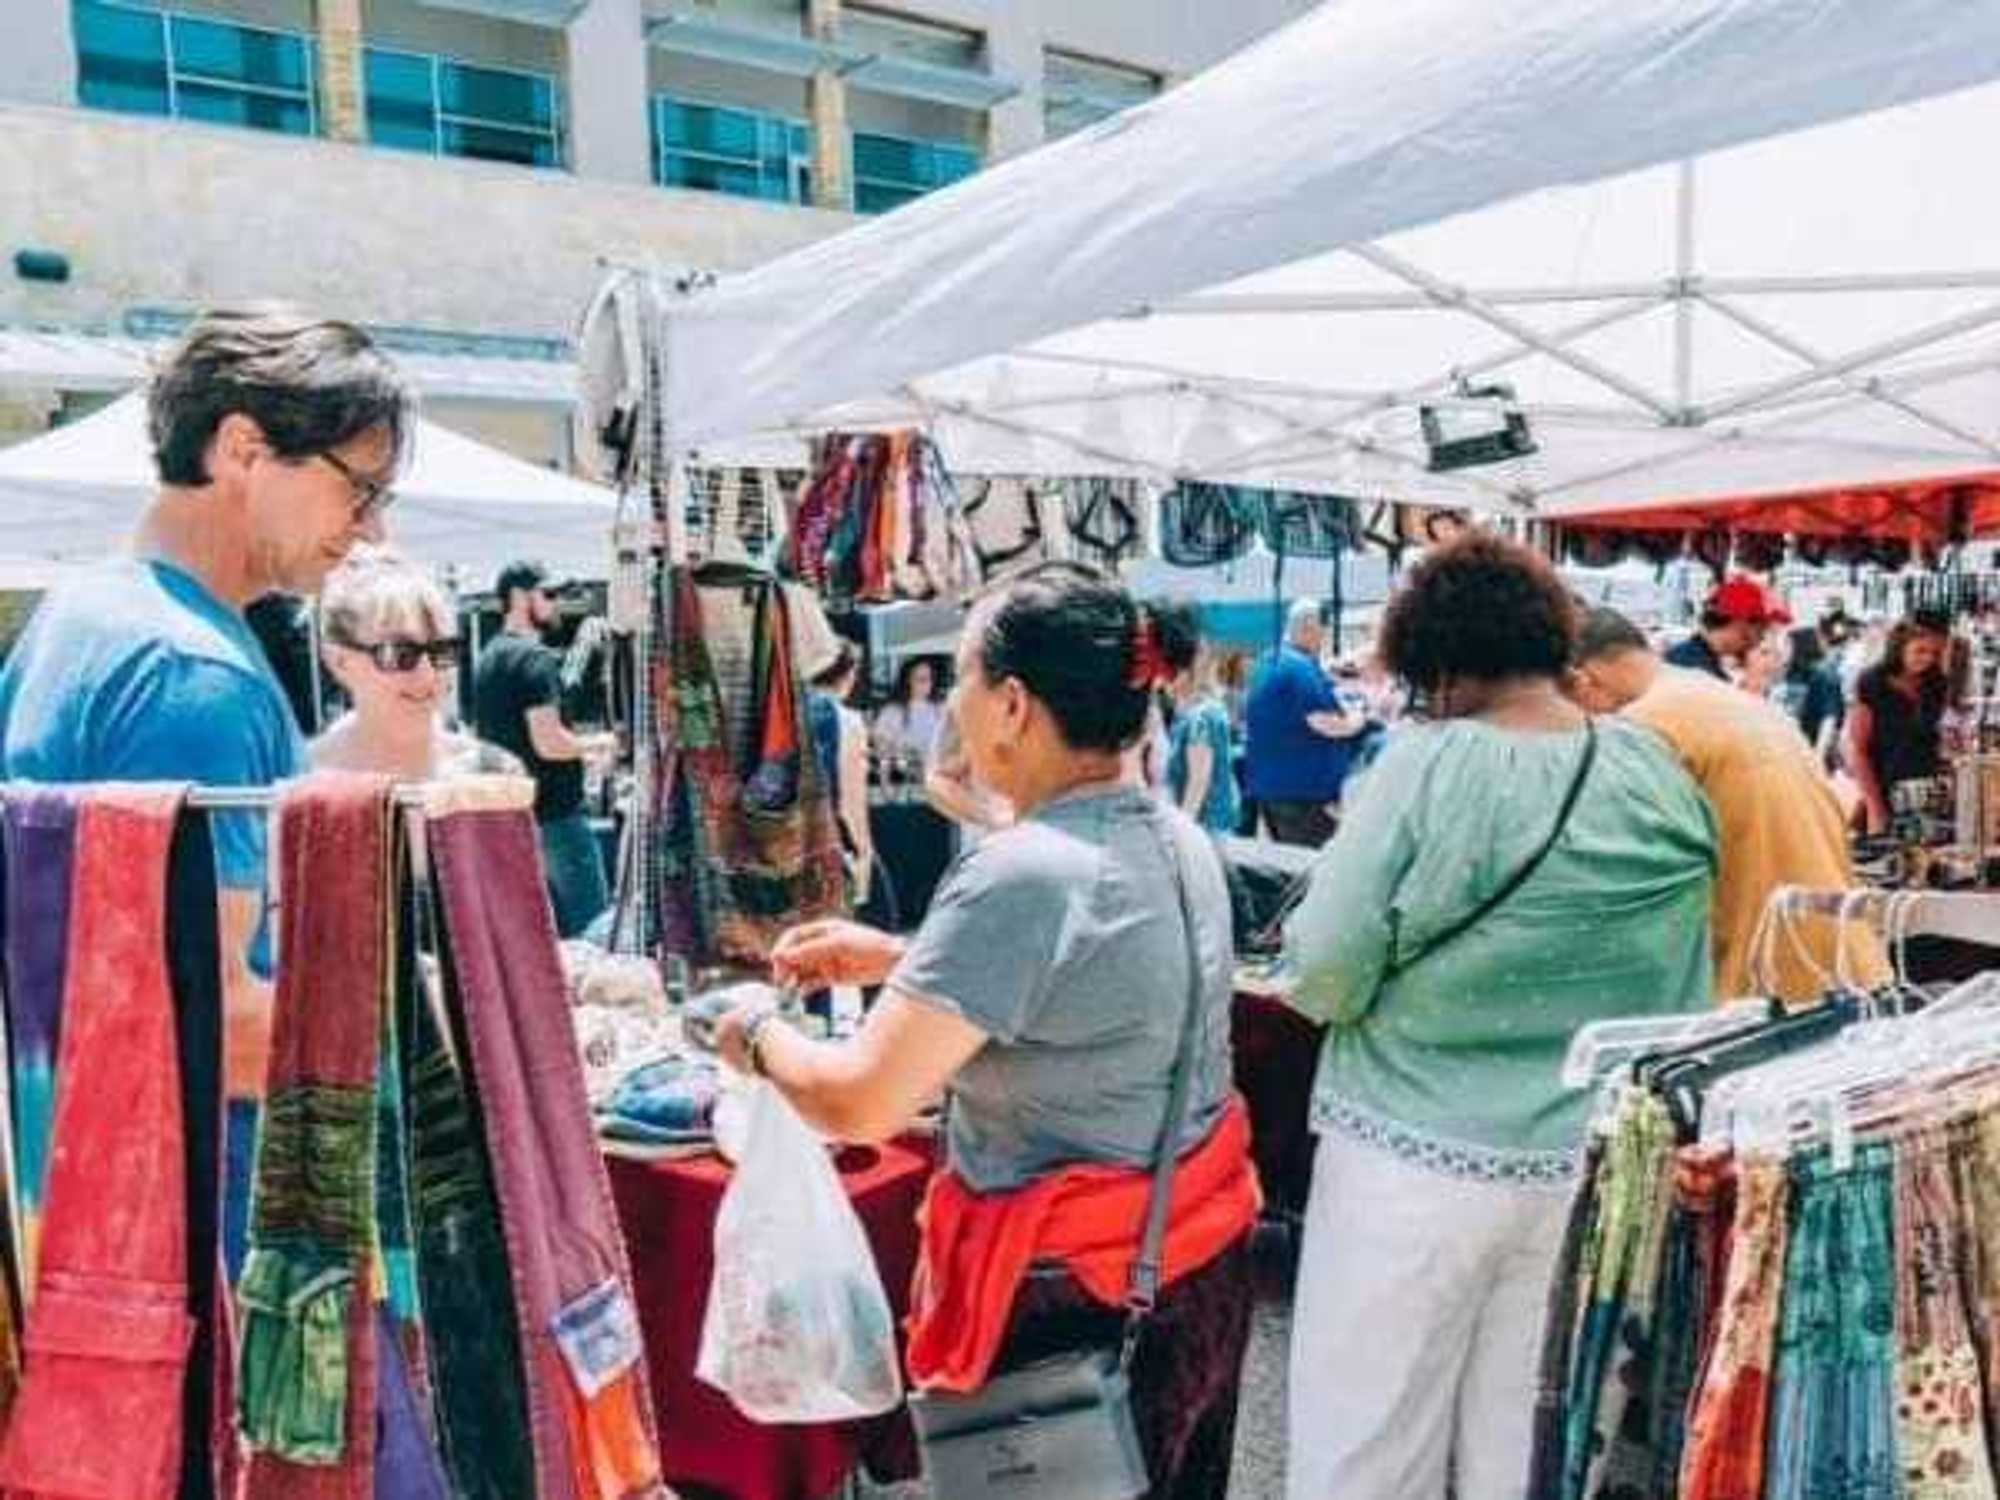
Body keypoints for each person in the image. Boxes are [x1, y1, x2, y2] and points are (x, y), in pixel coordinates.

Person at [715, 563, 1261, 1500]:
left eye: (963, 677)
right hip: (1196, 1257)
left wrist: (756, 1032)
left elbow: (858, 1102)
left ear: (1011, 705)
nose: (955, 706)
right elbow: (1098, 972)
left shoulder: (1021, 874)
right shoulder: (1180, 840)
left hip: (1072, 1295)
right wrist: (899, 954)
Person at [1281, 535, 1716, 1500]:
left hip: (1408, 1154)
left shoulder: (1425, 765)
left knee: (1366, 1442)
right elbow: (1684, 990)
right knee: (1528, 1456)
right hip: (1589, 1171)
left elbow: (1323, 972)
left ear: (1434, 659)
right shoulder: (1654, 770)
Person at [0, 307, 410, 1274]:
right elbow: (212, 1025)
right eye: (361, 491)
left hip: (75, 1202)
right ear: (242, 449)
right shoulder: (197, 675)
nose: (373, 530)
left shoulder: (80, 616)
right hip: (190, 1232)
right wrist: (424, 1014)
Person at [1570, 607, 1879, 1004]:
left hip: (1761, 998)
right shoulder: (1729, 701)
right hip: (1849, 971)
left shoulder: (1639, 730)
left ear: (1583, 680)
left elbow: (1619, 891)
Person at [472, 559, 617, 937]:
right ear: (519, 597)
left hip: (510, 817)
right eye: (548, 595)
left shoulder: (488, 658)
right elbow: (549, 742)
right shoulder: (534, 659)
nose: (556, 605)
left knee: (533, 935)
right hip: (556, 817)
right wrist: (597, 744)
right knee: (593, 930)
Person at [310, 546, 520, 781]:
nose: (428, 674)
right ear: (339, 661)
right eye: (399, 653)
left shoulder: (493, 776)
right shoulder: (300, 777)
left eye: (442, 651)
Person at [1244, 599, 1369, 846]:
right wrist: (1358, 719)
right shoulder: (1298, 668)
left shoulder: (1269, 661)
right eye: (1322, 629)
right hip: (1303, 799)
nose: (1323, 637)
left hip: (1275, 792)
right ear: (1308, 627)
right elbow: (1325, 723)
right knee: (1312, 874)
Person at [1849, 612, 1950, 834]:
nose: (1927, 659)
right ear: (1899, 647)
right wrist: (1875, 807)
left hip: (1928, 795)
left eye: (1934, 653)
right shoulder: (1872, 682)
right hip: (1884, 791)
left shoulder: (1936, 683)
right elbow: (1859, 751)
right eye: (1920, 651)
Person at [1154, 601, 1242, 835]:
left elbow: (1197, 785)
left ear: (1182, 673)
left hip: (1206, 833)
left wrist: (1179, 836)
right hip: (1213, 829)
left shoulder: (1199, 719)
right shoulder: (1199, 711)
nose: (1161, 682)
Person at [806, 641, 872, 904]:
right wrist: (863, 851)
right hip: (833, 844)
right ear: (848, 675)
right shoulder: (848, 721)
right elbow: (850, 801)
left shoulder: (790, 713)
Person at [1663, 574, 1791, 680]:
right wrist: (1754, 679)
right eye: (1761, 631)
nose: (1758, 641)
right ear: (1741, 622)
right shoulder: (1696, 671)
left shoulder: (1690, 657)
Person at [1781, 614, 1849, 762]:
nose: (1784, 649)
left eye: (1788, 644)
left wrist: (1818, 756)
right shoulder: (1790, 673)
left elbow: (1829, 718)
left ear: (1801, 644)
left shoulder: (1823, 674)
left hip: (1812, 751)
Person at [872, 656, 945, 769]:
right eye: (921, 679)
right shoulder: (891, 712)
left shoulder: (940, 709)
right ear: (908, 681)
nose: (927, 683)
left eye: (929, 678)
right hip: (904, 776)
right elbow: (881, 748)